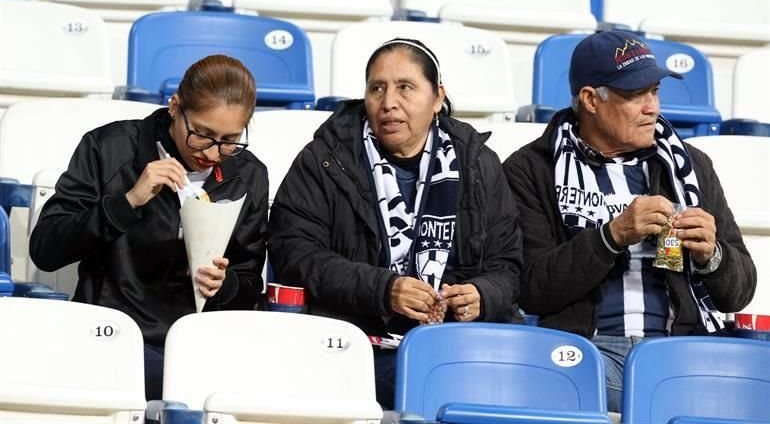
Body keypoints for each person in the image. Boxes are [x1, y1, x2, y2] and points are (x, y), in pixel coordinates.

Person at [503, 31, 757, 412]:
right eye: (635, 94)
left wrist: (713, 256)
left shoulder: (690, 166)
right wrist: (611, 236)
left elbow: (740, 292)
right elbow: (531, 287)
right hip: (585, 351)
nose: (651, 107)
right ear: (590, 100)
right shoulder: (532, 169)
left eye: (654, 91)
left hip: (680, 348)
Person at [268, 38, 523, 409]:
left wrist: (482, 295)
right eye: (377, 88)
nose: (388, 103)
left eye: (405, 87)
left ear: (437, 97)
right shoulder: (325, 159)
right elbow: (295, 252)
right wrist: (383, 289)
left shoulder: (478, 164)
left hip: (455, 344)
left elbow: (508, 266)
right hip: (353, 343)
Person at [30, 54, 268, 400]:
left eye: (230, 140)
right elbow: (46, 249)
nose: (214, 153)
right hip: (110, 336)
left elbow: (248, 282)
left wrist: (225, 284)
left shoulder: (248, 175)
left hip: (201, 344)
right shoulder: (109, 149)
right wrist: (128, 202)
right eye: (202, 135)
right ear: (175, 107)